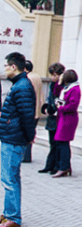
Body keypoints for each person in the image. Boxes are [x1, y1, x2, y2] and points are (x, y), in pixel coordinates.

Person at [0, 52, 37, 227]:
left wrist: (29, 138)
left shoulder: (22, 87)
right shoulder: (19, 84)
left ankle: (13, 217)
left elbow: (27, 116)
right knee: (9, 177)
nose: (5, 69)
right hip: (11, 137)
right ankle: (9, 213)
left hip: (14, 139)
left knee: (10, 178)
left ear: (13, 67)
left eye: (6, 66)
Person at [52, 69, 80, 178]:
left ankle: (64, 167)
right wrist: (58, 83)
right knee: (61, 142)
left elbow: (73, 106)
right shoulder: (67, 88)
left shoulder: (75, 89)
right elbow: (56, 91)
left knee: (63, 142)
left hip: (68, 119)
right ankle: (65, 166)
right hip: (63, 117)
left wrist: (61, 108)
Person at [38, 63, 65, 174]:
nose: (53, 77)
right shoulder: (52, 85)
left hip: (58, 117)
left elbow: (59, 100)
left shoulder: (62, 86)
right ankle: (49, 165)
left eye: (55, 75)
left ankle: (56, 166)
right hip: (52, 117)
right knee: (52, 142)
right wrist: (46, 108)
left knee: (57, 143)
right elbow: (50, 99)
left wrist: (51, 109)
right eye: (52, 75)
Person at [21, 61, 43, 164]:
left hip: (29, 110)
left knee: (24, 133)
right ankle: (27, 155)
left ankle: (25, 155)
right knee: (31, 132)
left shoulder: (27, 78)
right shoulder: (37, 77)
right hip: (37, 110)